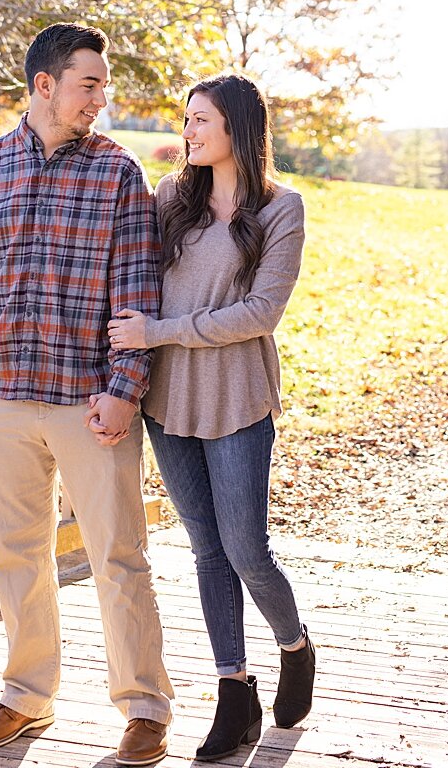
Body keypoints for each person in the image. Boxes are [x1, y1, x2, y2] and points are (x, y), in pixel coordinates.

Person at [0, 23, 173, 766]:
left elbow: (138, 288)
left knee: (119, 557)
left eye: (102, 86)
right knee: (15, 556)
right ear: (45, 85)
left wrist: (125, 389)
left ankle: (143, 707)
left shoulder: (118, 173)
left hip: (87, 402)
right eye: (89, 85)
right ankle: (25, 695)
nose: (100, 99)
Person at [106, 74, 315, 762]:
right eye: (187, 119)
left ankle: (295, 646)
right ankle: (235, 693)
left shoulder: (283, 208)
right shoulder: (173, 198)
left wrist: (160, 332)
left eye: (201, 121)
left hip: (236, 399)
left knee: (246, 549)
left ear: (237, 129)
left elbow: (260, 314)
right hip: (170, 401)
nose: (188, 131)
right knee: (204, 550)